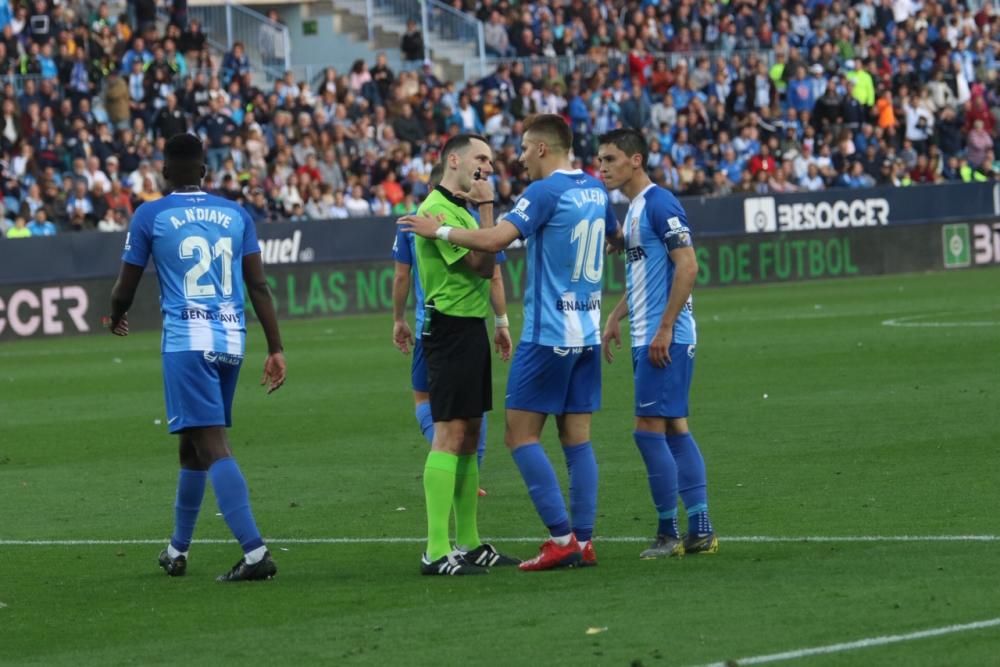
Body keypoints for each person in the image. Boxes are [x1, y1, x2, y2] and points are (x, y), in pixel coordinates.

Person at [400, 114, 619, 571]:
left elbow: (495, 242)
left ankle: (559, 539)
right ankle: (581, 540)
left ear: (541, 148)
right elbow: (614, 238)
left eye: (520, 149)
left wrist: (442, 228)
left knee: (516, 436)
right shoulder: (596, 190)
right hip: (582, 332)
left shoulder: (541, 193)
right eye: (484, 157)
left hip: (545, 334)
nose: (512, 159)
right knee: (575, 441)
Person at [108, 133, 287, 582]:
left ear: (165, 170)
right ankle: (177, 549)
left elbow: (126, 287)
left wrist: (115, 314)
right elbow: (259, 287)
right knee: (191, 446)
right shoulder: (235, 213)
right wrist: (276, 346)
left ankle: (254, 553)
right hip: (231, 341)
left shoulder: (151, 214)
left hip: (187, 343)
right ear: (205, 170)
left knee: (211, 445)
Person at [597, 128, 718, 558]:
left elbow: (687, 267)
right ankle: (700, 527)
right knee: (673, 428)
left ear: (636, 160)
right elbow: (649, 276)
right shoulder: (633, 211)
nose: (603, 167)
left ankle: (669, 533)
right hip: (649, 334)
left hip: (663, 337)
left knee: (648, 432)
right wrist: (616, 315)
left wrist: (665, 327)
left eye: (610, 159)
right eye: (600, 160)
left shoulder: (659, 203)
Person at [403, 133, 517, 575]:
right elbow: (483, 266)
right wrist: (489, 208)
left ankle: (467, 542)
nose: (488, 166)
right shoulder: (437, 210)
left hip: (470, 327)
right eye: (480, 158)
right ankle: (435, 548)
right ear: (454, 160)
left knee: (469, 434)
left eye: (491, 160)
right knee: (449, 434)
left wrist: (499, 323)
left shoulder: (457, 212)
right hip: (447, 329)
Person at [392, 163, 511, 489]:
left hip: (431, 324)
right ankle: (468, 473)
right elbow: (495, 275)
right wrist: (501, 322)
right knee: (474, 410)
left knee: (425, 403)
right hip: (470, 321)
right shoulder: (473, 223)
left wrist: (399, 319)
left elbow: (403, 275)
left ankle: (448, 464)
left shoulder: (413, 221)